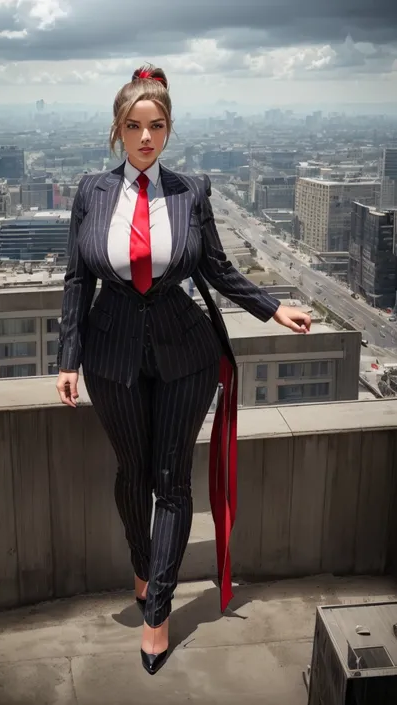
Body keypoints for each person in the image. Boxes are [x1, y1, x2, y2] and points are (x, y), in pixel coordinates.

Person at [56, 63, 311, 675]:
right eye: (134, 125)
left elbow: (216, 269)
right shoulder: (91, 191)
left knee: (171, 481)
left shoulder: (191, 190)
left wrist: (272, 307)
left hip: (184, 351)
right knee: (132, 474)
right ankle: (143, 566)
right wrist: (66, 359)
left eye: (158, 126)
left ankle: (157, 613)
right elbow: (76, 279)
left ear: (169, 131)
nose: (147, 137)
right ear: (118, 130)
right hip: (111, 353)